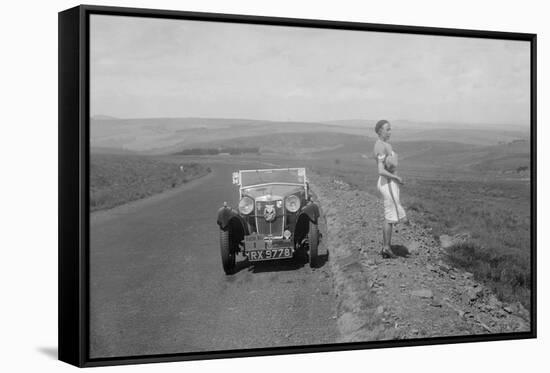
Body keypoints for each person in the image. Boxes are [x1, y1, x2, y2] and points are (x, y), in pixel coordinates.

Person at [372, 119, 408, 258]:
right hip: (387, 182)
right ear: (380, 131)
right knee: (389, 216)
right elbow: (380, 170)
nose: (390, 132)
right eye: (387, 129)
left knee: (391, 214)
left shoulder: (386, 144)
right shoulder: (380, 146)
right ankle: (386, 248)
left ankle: (386, 247)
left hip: (389, 182)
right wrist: (396, 178)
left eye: (390, 129)